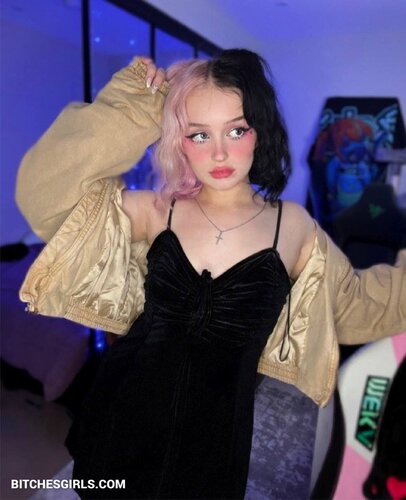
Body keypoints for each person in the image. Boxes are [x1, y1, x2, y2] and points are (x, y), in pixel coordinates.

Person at [16, 49, 406, 499]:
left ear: (259, 131)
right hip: (123, 412)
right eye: (198, 134)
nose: (219, 152)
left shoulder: (293, 226)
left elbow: (356, 306)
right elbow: (48, 193)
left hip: (214, 440)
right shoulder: (158, 210)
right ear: (179, 140)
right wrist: (135, 106)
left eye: (236, 130)